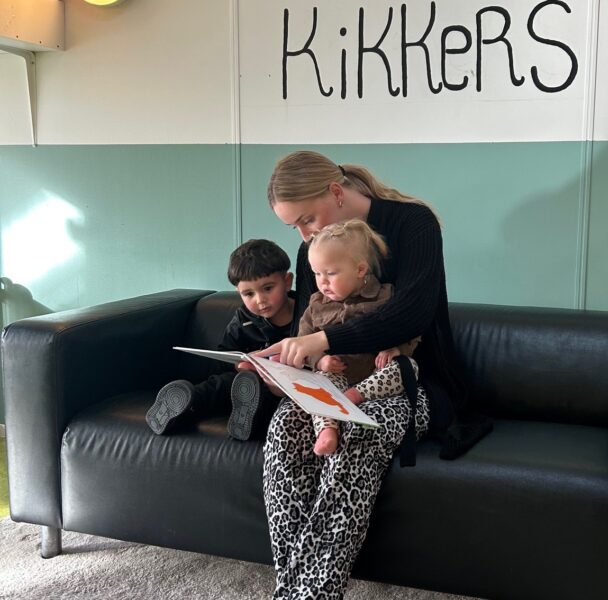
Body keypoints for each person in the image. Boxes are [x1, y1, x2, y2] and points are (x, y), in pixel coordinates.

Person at [256, 151, 492, 599]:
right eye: (295, 228)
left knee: (359, 430)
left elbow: (412, 314)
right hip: (337, 383)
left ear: (336, 192)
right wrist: (283, 366)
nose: (305, 235)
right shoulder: (313, 249)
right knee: (286, 426)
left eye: (307, 219)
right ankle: (296, 593)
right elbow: (308, 325)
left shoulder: (413, 224)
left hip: (411, 382)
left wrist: (324, 341)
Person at [145, 239, 294, 440]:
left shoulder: (307, 314)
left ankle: (248, 416)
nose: (260, 300)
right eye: (249, 294)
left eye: (268, 288)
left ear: (287, 281)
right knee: (224, 383)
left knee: (264, 392)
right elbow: (224, 356)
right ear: (239, 293)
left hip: (282, 388)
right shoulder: (243, 318)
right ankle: (188, 401)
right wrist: (241, 365)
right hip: (244, 382)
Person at [299, 218, 420, 456]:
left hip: (375, 377)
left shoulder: (386, 296)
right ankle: (328, 429)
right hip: (337, 375)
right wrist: (319, 360)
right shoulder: (316, 305)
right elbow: (303, 340)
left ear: (360, 270)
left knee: (407, 367)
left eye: (331, 273)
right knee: (319, 383)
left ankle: (352, 397)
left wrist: (396, 349)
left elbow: (411, 328)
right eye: (317, 273)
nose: (322, 282)